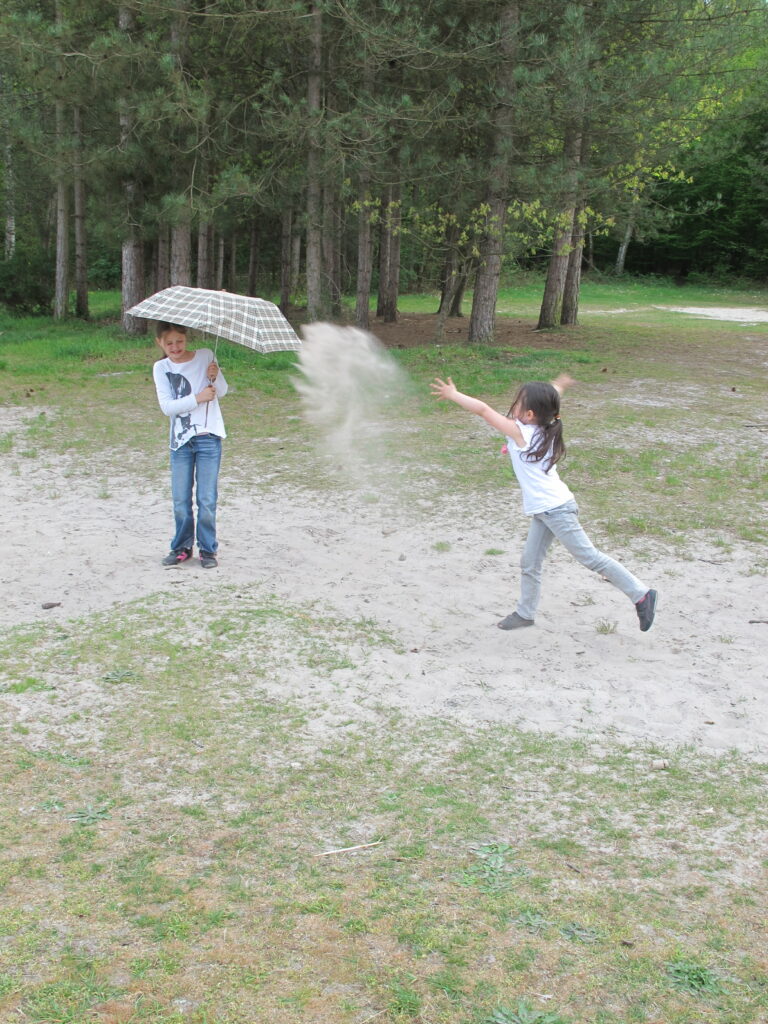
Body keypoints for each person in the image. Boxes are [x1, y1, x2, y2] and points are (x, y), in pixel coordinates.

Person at [430, 373, 657, 632]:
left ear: (529, 414)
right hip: (545, 511)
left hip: (556, 510)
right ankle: (525, 614)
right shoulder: (544, 426)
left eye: (518, 403)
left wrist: (453, 395)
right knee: (530, 563)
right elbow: (551, 397)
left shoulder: (522, 433)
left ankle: (641, 594)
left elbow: (483, 410)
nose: (512, 406)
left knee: (590, 558)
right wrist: (559, 385)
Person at [153, 321, 228, 568]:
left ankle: (208, 549)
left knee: (207, 499)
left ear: (187, 338)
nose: (175, 347)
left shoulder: (205, 355)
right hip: (181, 441)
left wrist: (216, 376)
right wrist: (198, 398)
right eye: (169, 343)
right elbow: (167, 407)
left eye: (180, 341)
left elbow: (221, 391)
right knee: (180, 500)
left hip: (208, 437)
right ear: (160, 343)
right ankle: (182, 547)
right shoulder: (161, 368)